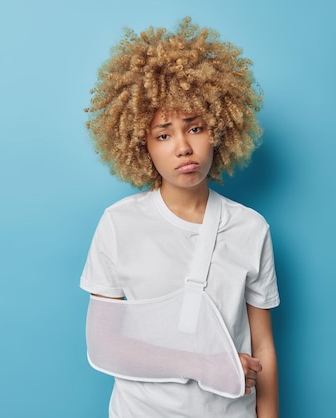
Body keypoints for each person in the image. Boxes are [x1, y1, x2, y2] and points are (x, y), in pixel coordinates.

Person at [80, 17, 280, 417]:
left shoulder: (251, 228)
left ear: (221, 129)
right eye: (164, 134)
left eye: (196, 128)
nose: (184, 148)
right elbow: (105, 344)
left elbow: (263, 347)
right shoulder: (119, 224)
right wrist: (208, 366)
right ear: (142, 146)